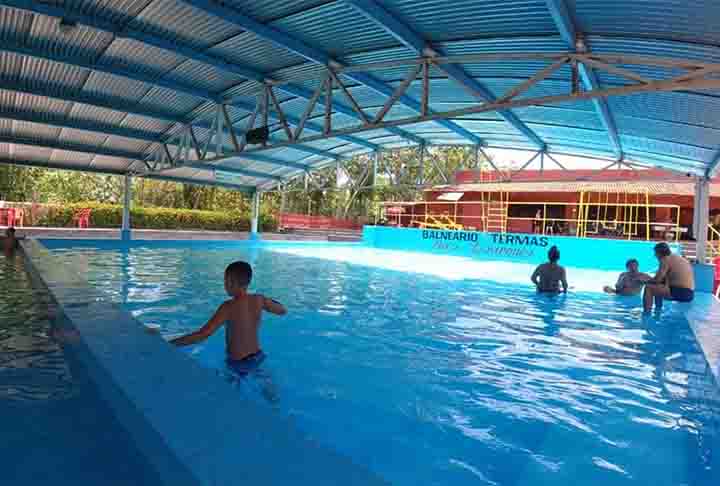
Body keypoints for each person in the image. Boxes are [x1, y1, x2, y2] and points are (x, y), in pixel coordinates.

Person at [171, 261, 287, 375]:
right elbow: (282, 311)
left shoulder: (228, 307)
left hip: (238, 363)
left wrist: (171, 343)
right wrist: (268, 300)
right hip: (258, 356)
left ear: (231, 283)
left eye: (225, 281)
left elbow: (203, 334)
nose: (224, 285)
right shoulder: (259, 299)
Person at [641, 242, 695, 312]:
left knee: (648, 288)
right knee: (657, 287)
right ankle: (658, 311)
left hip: (681, 292)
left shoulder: (665, 259)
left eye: (655, 253)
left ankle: (646, 314)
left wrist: (643, 281)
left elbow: (657, 279)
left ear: (659, 253)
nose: (655, 255)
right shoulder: (678, 258)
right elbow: (660, 280)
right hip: (690, 293)